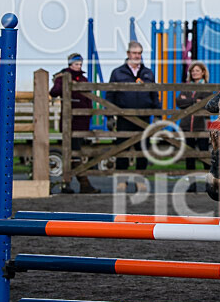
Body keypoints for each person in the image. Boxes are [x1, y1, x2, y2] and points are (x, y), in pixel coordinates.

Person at [49, 53, 100, 193]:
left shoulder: (83, 79)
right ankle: (77, 183)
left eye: (80, 64)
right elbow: (54, 92)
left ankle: (73, 183)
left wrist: (89, 114)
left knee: (75, 152)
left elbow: (89, 99)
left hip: (82, 120)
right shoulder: (64, 77)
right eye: (76, 64)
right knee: (71, 152)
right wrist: (61, 82)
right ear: (70, 64)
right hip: (69, 120)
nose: (78, 66)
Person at [106, 41, 159, 171]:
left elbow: (154, 95)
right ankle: (121, 182)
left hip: (144, 117)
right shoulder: (117, 73)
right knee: (122, 149)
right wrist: (109, 116)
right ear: (128, 53)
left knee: (143, 150)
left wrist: (157, 115)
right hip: (125, 118)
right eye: (134, 53)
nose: (137, 56)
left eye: (139, 53)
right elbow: (110, 96)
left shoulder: (148, 73)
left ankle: (140, 181)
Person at [175, 61, 212, 173]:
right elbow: (179, 102)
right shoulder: (186, 86)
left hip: (201, 125)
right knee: (189, 155)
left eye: (197, 71)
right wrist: (195, 101)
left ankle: (209, 180)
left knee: (204, 153)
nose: (194, 73)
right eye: (192, 71)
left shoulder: (207, 87)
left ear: (203, 72)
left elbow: (207, 104)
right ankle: (190, 180)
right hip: (186, 125)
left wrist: (188, 100)